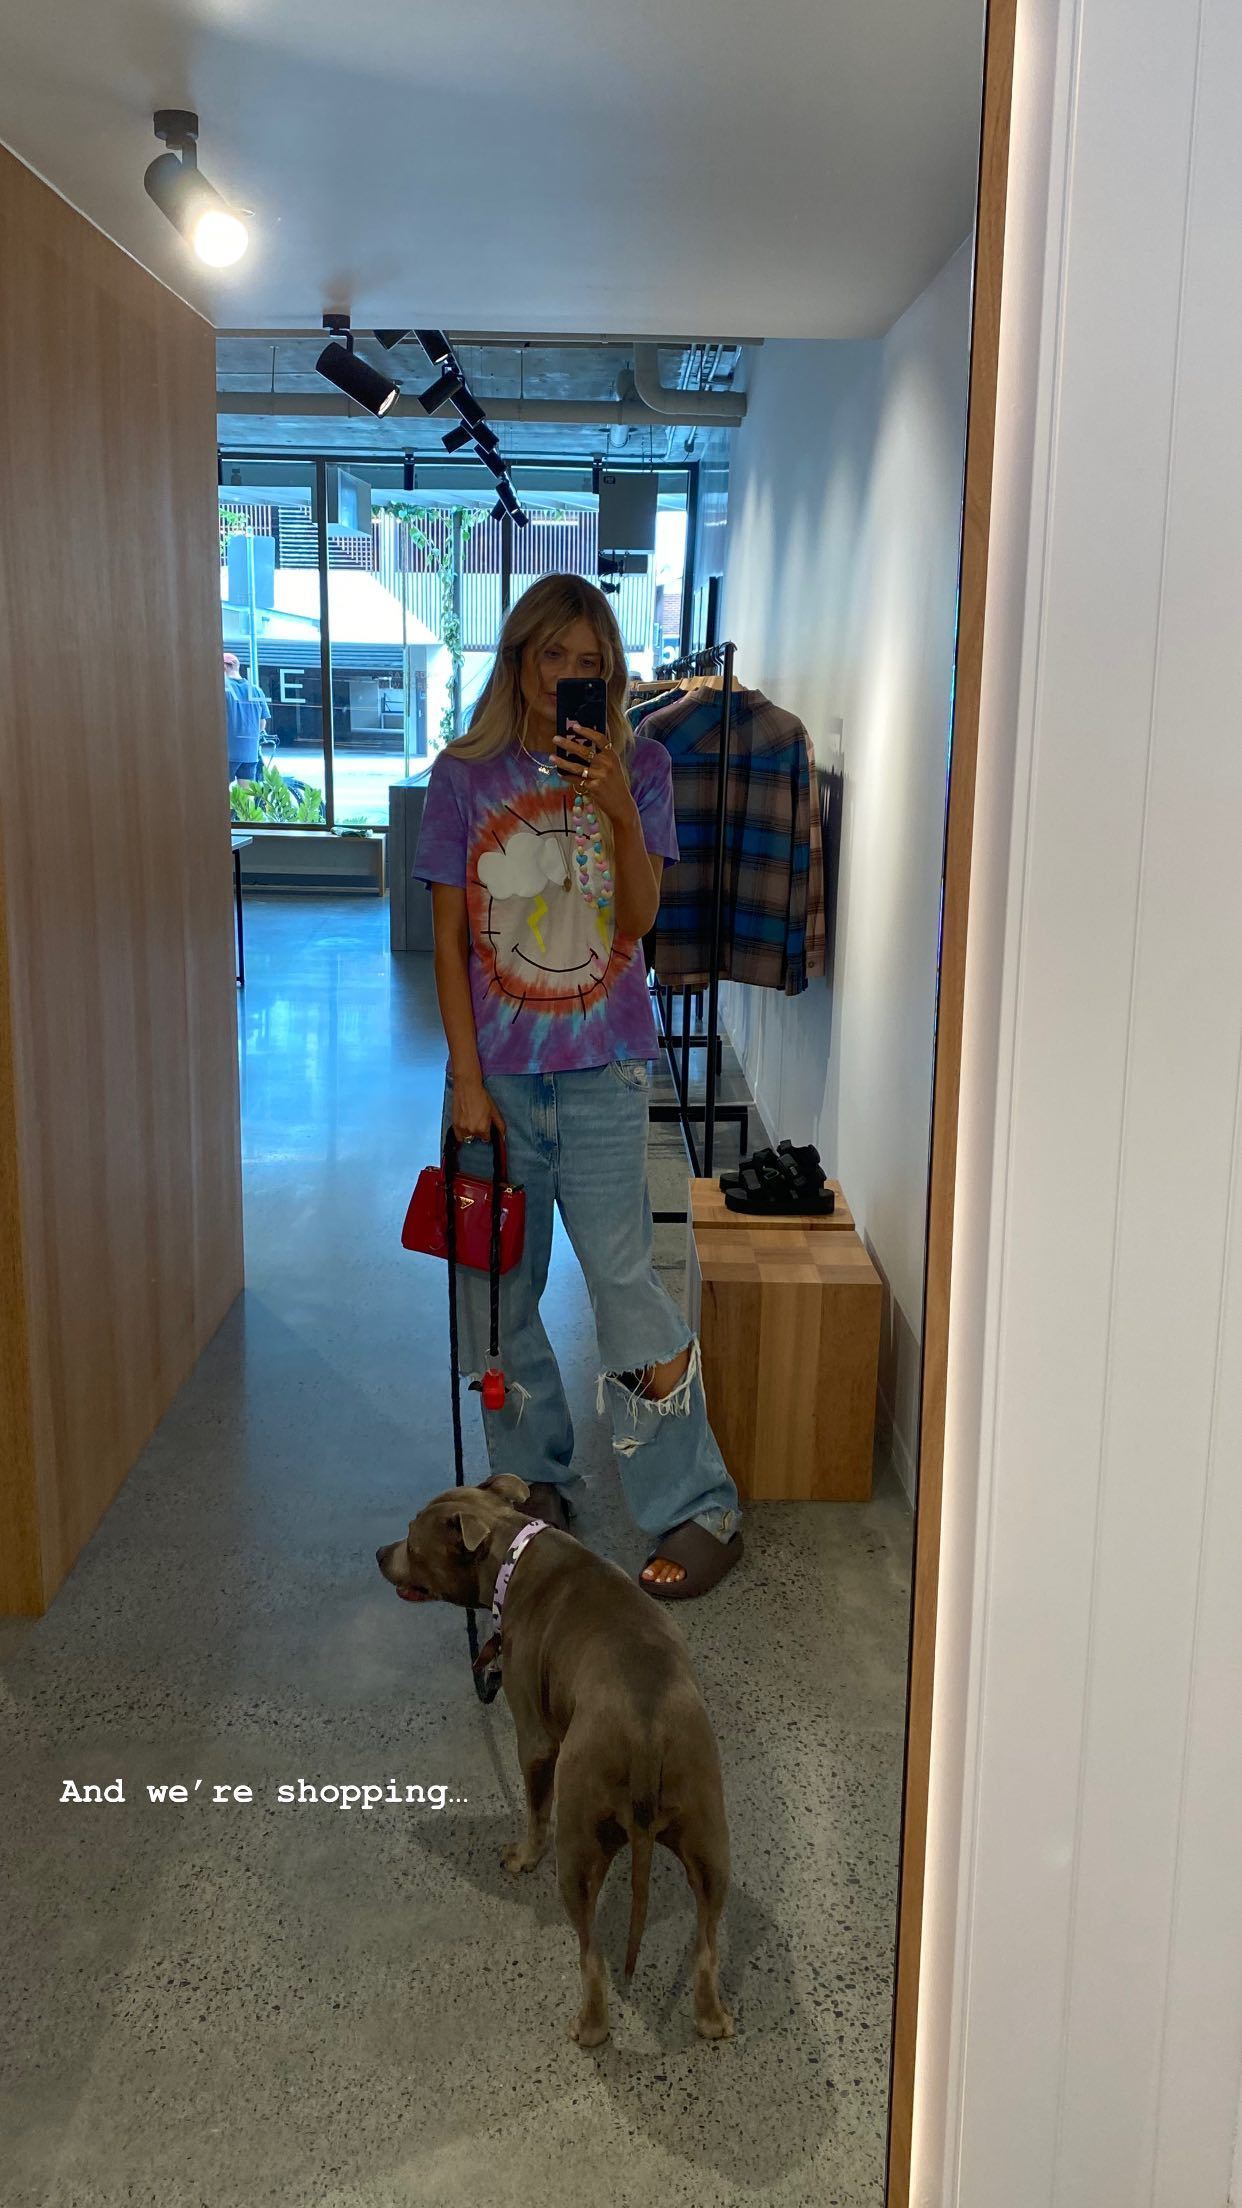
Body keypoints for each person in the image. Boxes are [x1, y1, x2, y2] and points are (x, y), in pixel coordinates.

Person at [413, 575, 744, 1600]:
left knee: (625, 1284)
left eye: (588, 663)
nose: (566, 678)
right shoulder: (462, 776)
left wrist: (615, 807)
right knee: (501, 1290)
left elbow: (639, 919)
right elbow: (448, 942)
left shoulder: (642, 767)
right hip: (499, 1087)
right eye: (550, 656)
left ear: (612, 675)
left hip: (605, 1072)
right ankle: (533, 1480)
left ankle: (698, 1503)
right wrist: (466, 1080)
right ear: (518, 661)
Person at [223, 651, 270, 783]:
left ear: (225, 666)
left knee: (220, 793)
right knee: (246, 793)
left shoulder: (221, 687)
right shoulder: (256, 690)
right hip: (250, 753)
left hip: (227, 752)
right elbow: (262, 723)